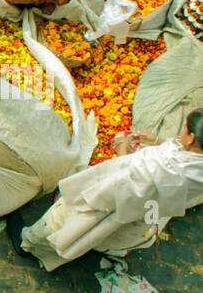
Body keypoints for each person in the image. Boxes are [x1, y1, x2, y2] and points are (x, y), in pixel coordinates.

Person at [13, 111, 203, 271]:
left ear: (192, 137)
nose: (181, 134)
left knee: (69, 219)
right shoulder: (196, 168)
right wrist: (157, 141)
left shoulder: (162, 168)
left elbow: (125, 186)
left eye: (185, 130)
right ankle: (98, 247)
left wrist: (122, 150)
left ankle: (29, 243)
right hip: (149, 212)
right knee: (108, 234)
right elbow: (178, 152)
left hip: (118, 202)